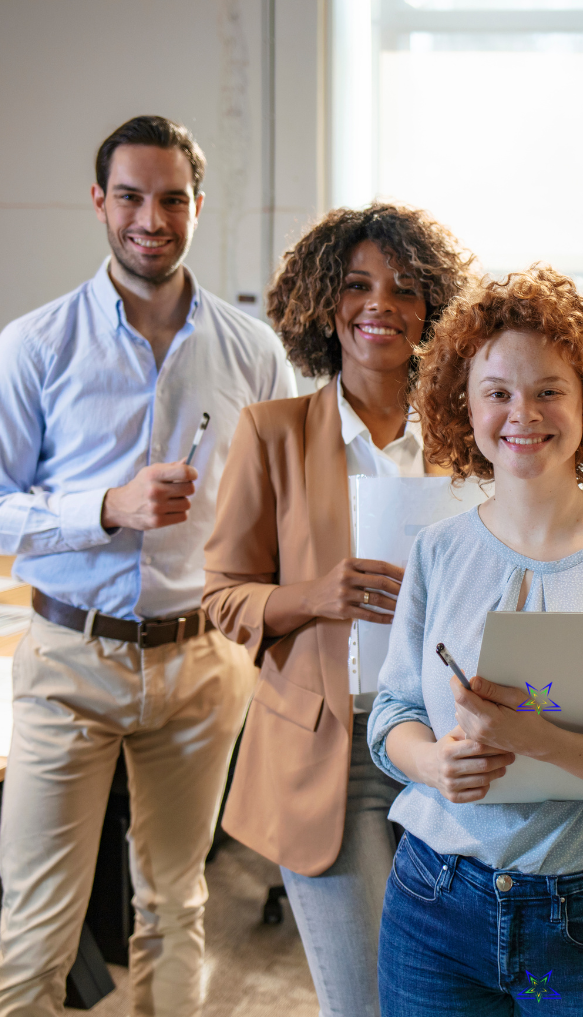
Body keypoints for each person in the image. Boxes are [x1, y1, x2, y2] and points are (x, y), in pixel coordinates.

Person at [366, 265, 583, 1016]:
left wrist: (542, 740)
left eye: (548, 390)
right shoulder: (436, 553)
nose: (521, 413)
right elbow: (392, 712)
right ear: (464, 407)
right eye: (497, 391)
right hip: (434, 900)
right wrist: (432, 762)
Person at [0, 115, 294, 1017]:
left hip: (201, 662)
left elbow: (286, 509)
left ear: (198, 205)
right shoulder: (36, 345)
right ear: (100, 202)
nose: (150, 217)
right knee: (34, 930)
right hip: (69, 661)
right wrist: (105, 507)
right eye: (130, 196)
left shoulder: (252, 351)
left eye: (172, 198)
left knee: (177, 907)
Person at [201, 203, 473, 1017]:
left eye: (403, 288)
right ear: (325, 303)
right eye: (357, 285)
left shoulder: (471, 436)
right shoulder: (273, 433)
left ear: (433, 308)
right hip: (333, 751)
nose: (379, 304)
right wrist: (312, 596)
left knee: (432, 992)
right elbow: (222, 594)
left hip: (446, 740)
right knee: (364, 999)